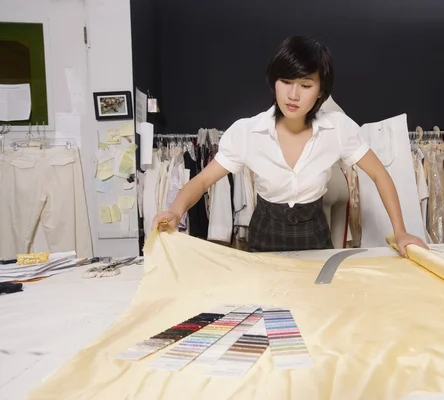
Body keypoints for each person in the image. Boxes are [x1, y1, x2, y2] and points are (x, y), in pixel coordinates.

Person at [152, 35, 428, 257]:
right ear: (274, 83)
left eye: (306, 85)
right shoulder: (247, 132)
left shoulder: (339, 129)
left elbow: (380, 174)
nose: (293, 95)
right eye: (286, 82)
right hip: (264, 235)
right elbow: (201, 181)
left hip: (314, 235)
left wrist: (401, 231)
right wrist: (175, 211)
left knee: (316, 313)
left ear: (320, 91)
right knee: (268, 316)